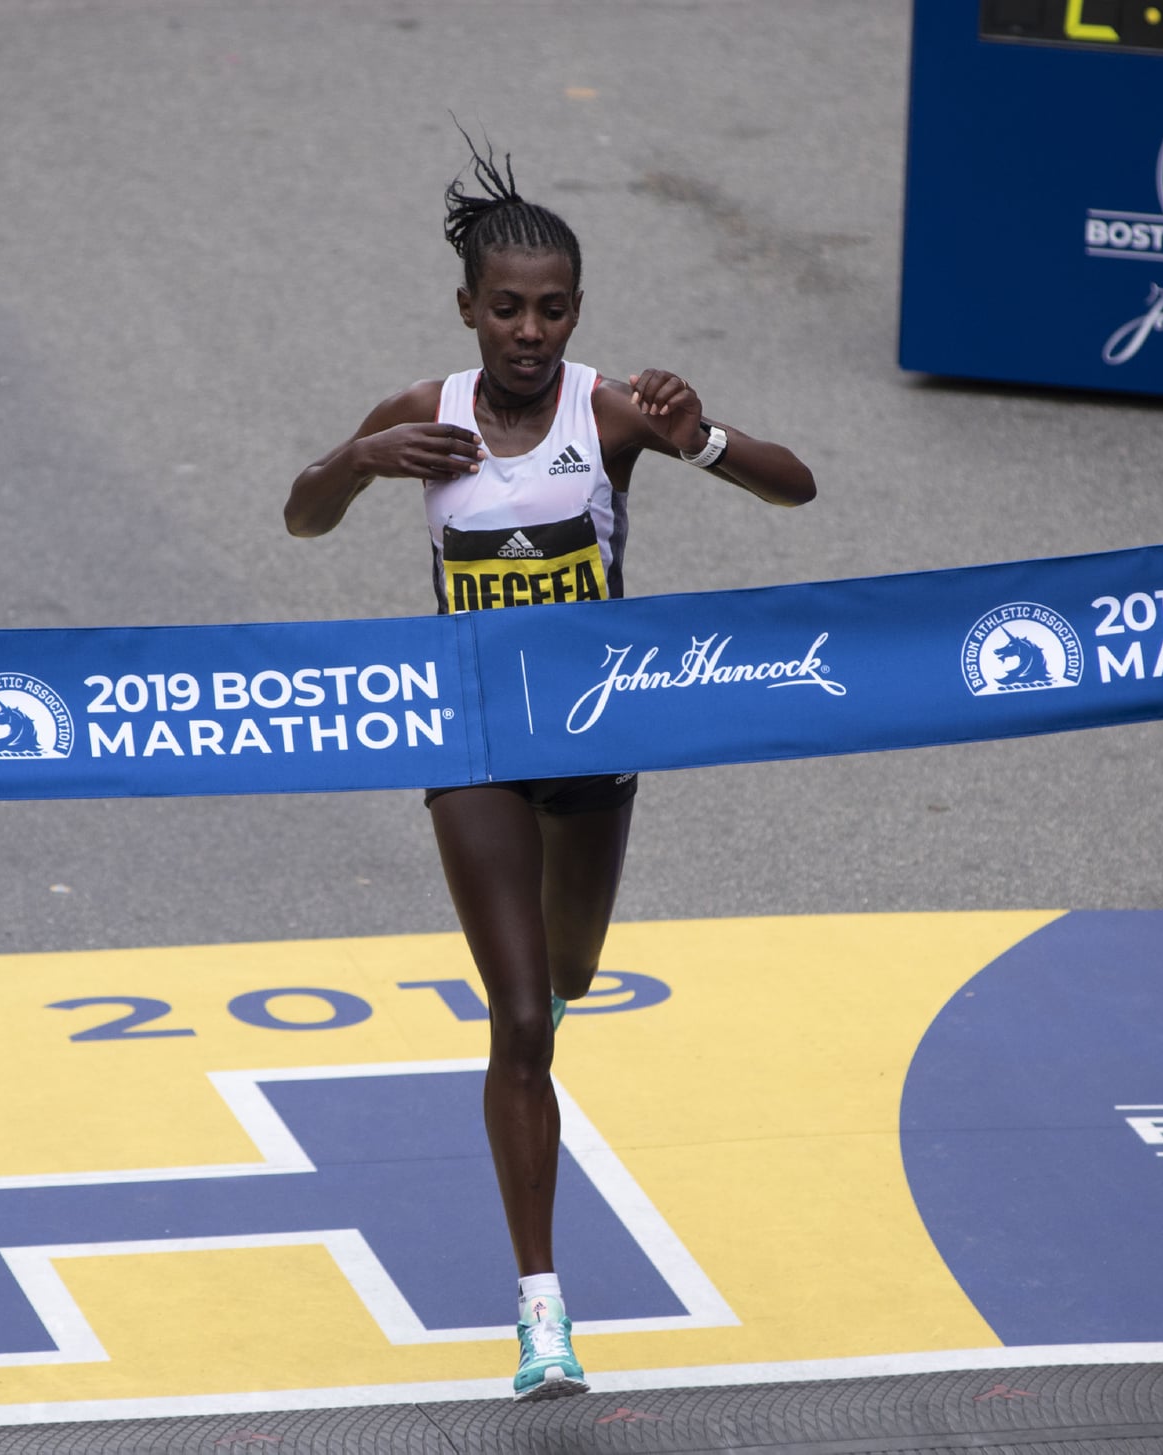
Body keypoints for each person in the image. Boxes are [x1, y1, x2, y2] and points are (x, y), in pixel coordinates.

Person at [284, 137, 815, 1400]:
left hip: (597, 745)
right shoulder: (418, 418)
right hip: (471, 745)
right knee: (519, 1021)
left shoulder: (611, 410)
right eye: (506, 308)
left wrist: (702, 441)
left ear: (577, 311)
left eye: (553, 308)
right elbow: (300, 516)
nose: (529, 331)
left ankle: (552, 995)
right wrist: (356, 467)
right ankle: (542, 1315)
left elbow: (796, 489)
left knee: (569, 974)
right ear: (466, 308)